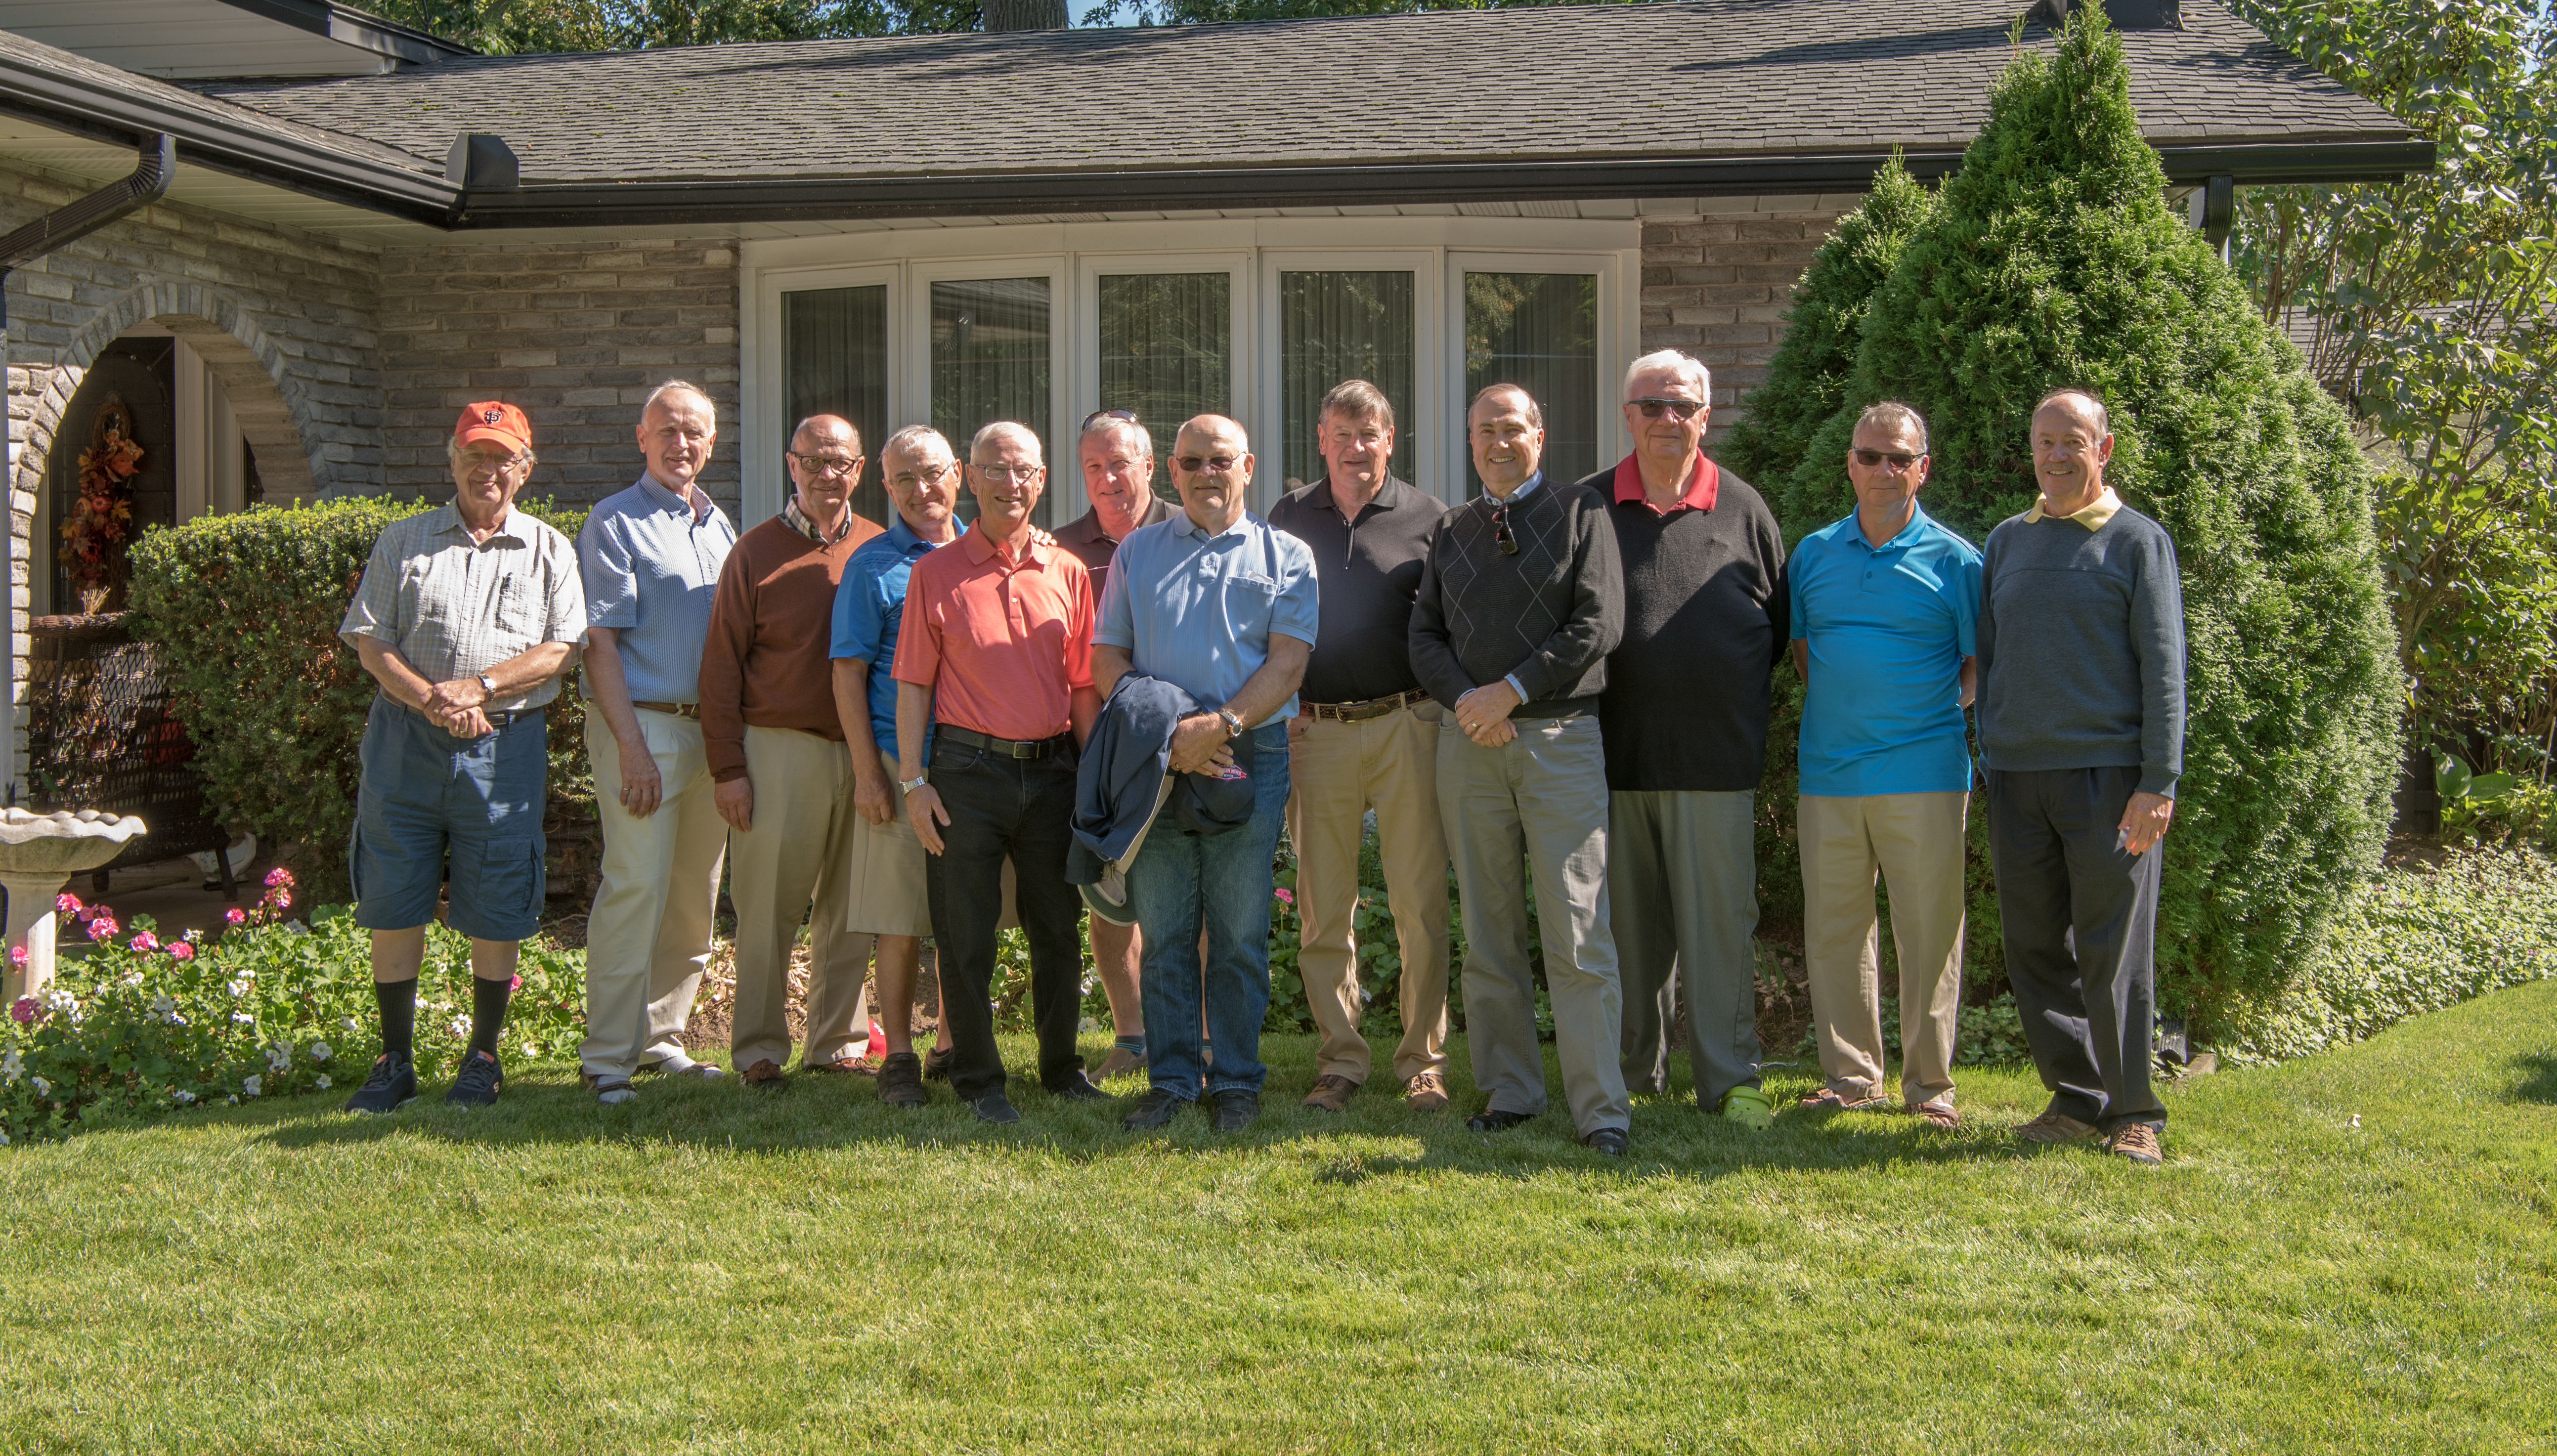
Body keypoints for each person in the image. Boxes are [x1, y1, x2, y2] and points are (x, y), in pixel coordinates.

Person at [338, 401, 585, 1113]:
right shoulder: (404, 540)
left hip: (505, 746)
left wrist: (479, 687)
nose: (488, 470)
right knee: (395, 893)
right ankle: (395, 1060)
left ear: (525, 470)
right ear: (452, 461)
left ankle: (483, 1057)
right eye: (475, 455)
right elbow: (372, 641)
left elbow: (562, 647)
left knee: (497, 895)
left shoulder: (549, 550)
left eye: (503, 458)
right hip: (405, 742)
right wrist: (431, 700)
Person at [1409, 384, 1629, 1156]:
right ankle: (1510, 1089)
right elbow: (1424, 637)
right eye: (1484, 431)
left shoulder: (1581, 512)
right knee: (1488, 929)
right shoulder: (1452, 528)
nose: (1497, 443)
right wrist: (1471, 703)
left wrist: (1512, 690)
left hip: (1559, 741)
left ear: (1539, 434)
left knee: (1577, 929)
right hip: (1470, 744)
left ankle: (1600, 1108)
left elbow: (1598, 622)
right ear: (1469, 441)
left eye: (1511, 428)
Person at [1979, 387, 2186, 1167]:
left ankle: (2135, 1111)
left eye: (2072, 440)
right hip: (2018, 778)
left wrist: (2158, 780)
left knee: (2111, 951)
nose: (2056, 455)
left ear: (2103, 449)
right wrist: (1990, 750)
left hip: (2108, 781)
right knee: (2033, 945)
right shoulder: (2008, 541)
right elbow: (1991, 656)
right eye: (2044, 441)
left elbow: (2163, 668)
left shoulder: (2136, 541)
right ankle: (2076, 1099)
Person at [1092, 414, 1317, 1134]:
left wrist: (1218, 727)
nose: (1205, 473)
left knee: (1239, 932)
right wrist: (1170, 734)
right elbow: (1106, 658)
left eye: (1220, 460)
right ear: (1173, 471)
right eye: (1191, 462)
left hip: (1250, 755)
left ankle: (1237, 1082)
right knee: (1163, 931)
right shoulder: (1137, 551)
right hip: (1156, 764)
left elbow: (1289, 662)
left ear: (1247, 466)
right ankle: (1172, 1082)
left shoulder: (1287, 555)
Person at [1584, 349, 1787, 1132]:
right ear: (1626, 416)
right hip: (1610, 760)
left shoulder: (1743, 509)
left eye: (1682, 406)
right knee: (1625, 937)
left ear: (1705, 416)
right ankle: (1633, 1072)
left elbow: (1776, 629)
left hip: (1715, 763)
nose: (1666, 419)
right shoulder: (1588, 507)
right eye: (1651, 405)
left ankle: (1729, 1079)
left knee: (1718, 935)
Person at [893, 421, 1107, 1124]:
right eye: (993, 469)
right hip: (965, 771)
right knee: (966, 933)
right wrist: (914, 782)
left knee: (1058, 928)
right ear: (970, 476)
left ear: (1040, 480)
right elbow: (913, 686)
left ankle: (1062, 1068)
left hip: (1053, 772)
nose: (1008, 483)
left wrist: (1093, 780)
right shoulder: (935, 572)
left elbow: (1083, 687)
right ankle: (979, 1078)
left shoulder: (1067, 570)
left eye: (1021, 470)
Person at [1787, 401, 1978, 1128]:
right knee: (1835, 929)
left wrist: (1915, 715)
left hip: (1924, 773)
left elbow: (1976, 669)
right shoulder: (1812, 555)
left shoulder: (1957, 561)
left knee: (1928, 933)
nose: (1883, 470)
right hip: (1829, 774)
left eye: (1900, 458)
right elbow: (1805, 655)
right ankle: (1850, 1076)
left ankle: (1929, 1087)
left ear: (1922, 469)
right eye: (1870, 456)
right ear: (1850, 464)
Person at [1265, 380, 1453, 1113]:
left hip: (1409, 724)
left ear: (1390, 439)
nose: (1354, 447)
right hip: (1317, 732)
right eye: (1341, 433)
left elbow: (1446, 625)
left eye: (1367, 433)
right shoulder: (1288, 516)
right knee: (1323, 908)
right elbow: (1265, 616)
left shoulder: (1428, 518)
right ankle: (1340, 1060)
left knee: (1419, 904)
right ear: (1321, 440)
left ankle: (1423, 1061)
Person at [700, 412, 884, 1087]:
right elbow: (721, 667)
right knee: (768, 908)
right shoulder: (754, 552)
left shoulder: (879, 546)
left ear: (859, 470)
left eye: (840, 462)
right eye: (813, 461)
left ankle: (837, 1043)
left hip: (864, 752)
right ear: (791, 465)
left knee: (851, 906)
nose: (826, 474)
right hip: (779, 749)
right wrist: (729, 768)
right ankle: (757, 1049)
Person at [572, 381, 737, 1105]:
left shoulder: (719, 524)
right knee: (636, 886)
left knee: (693, 892)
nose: (681, 443)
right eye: (666, 430)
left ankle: (659, 1036)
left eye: (694, 431)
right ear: (642, 438)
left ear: (712, 442)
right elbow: (599, 644)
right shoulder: (614, 521)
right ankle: (606, 1056)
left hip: (710, 732)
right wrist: (631, 747)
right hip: (642, 726)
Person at [831, 425, 964, 1109]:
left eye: (933, 473)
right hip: (896, 755)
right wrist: (869, 771)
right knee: (899, 916)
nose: (921, 490)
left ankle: (952, 1043)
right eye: (905, 479)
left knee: (965, 911)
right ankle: (901, 1056)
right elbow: (847, 673)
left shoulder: (982, 551)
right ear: (885, 486)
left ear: (958, 473)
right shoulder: (872, 565)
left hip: (971, 758)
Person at [1053, 409, 1179, 1080]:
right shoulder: (1059, 549)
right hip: (1098, 752)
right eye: (1094, 466)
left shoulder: (1188, 531)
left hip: (1185, 746)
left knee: (1194, 900)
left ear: (1149, 466)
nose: (1108, 478)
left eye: (1120, 463)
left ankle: (1199, 1038)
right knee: (1106, 900)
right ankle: (1131, 1039)